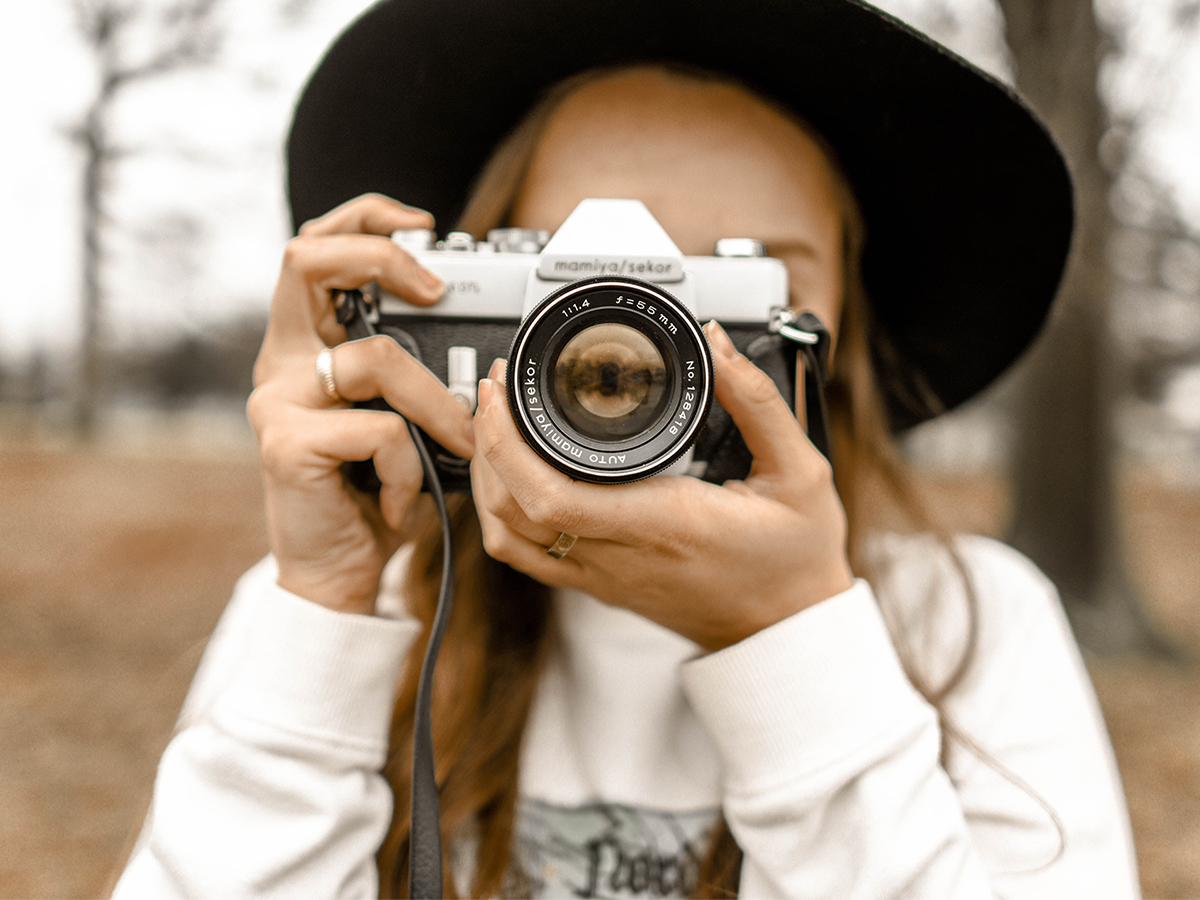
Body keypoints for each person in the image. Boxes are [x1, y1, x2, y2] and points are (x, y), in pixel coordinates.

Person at [112, 1, 1140, 897]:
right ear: (462, 309)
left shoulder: (972, 623)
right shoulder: (351, 606)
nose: (645, 340)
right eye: (575, 275)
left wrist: (795, 638)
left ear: (837, 331)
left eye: (742, 281)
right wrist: (321, 610)